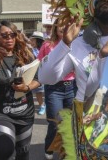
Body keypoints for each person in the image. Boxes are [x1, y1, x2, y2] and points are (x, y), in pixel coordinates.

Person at [0, 21, 41, 160]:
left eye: (12, 34)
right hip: (1, 112)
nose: (9, 38)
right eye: (4, 35)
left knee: (23, 152)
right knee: (5, 149)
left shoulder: (25, 54)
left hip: (25, 113)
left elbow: (38, 78)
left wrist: (27, 87)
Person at [38, 19, 78, 160]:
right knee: (55, 123)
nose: (63, 26)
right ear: (55, 27)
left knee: (69, 123)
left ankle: (66, 151)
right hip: (53, 89)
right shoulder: (47, 45)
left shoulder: (77, 43)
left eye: (66, 23)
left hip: (72, 87)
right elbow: (40, 64)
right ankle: (49, 148)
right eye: (60, 24)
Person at [29, 31, 46, 115]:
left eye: (33, 40)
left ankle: (46, 104)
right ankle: (42, 106)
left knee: (46, 91)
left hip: (45, 73)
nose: (31, 42)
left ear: (38, 41)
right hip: (35, 75)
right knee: (38, 92)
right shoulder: (30, 50)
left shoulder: (45, 48)